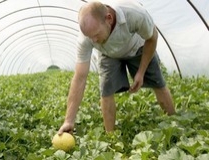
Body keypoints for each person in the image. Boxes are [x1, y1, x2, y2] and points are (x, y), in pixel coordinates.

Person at [58, 0, 176, 134]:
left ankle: (175, 123)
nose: (94, 40)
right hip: (107, 53)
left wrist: (141, 72)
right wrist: (69, 120)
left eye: (96, 34)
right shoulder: (86, 38)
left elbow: (152, 38)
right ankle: (111, 137)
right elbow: (80, 77)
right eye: (90, 37)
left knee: (157, 82)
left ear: (109, 18)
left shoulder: (134, 13)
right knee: (106, 91)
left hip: (137, 48)